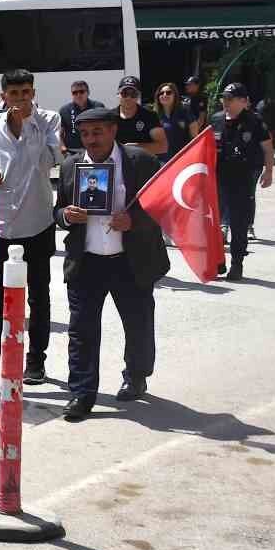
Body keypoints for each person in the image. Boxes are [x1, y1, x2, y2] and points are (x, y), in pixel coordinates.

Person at [55, 108, 167, 421]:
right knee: (82, 331)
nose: (92, 140)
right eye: (86, 134)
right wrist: (66, 216)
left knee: (138, 323)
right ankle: (82, 393)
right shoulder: (70, 166)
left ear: (114, 130)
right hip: (87, 262)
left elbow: (161, 204)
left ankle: (136, 375)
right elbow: (58, 210)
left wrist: (135, 220)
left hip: (129, 261)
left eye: (98, 132)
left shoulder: (139, 162)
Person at [0, 69, 60, 385]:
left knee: (39, 296)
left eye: (25, 92)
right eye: (13, 94)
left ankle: (36, 362)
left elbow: (51, 160)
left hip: (38, 221)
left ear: (33, 92)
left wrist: (28, 126)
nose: (20, 99)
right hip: (2, 223)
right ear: (3, 96)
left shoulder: (49, 119)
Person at [213, 82, 273, 281]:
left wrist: (268, 172)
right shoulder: (216, 120)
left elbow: (267, 147)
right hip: (219, 177)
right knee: (214, 222)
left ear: (243, 101)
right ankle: (217, 261)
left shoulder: (255, 122)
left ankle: (236, 263)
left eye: (230, 99)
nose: (226, 102)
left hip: (243, 177)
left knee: (238, 223)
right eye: (224, 98)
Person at [114, 76, 167, 158]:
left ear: (138, 96)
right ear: (118, 94)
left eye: (133, 94)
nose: (128, 97)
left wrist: (136, 147)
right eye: (124, 93)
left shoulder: (149, 116)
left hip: (143, 165)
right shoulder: (110, 117)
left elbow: (163, 147)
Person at [153, 82, 196, 163]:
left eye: (168, 92)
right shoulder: (153, 116)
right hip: (162, 162)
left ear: (175, 95)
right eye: (161, 93)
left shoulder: (185, 113)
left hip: (182, 160)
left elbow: (195, 138)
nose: (164, 95)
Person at [58, 80, 104, 153]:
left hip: (94, 150)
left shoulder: (98, 107)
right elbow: (60, 133)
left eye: (81, 92)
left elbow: (104, 129)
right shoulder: (64, 110)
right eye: (75, 93)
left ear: (88, 92)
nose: (78, 95)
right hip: (72, 151)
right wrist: (62, 146)